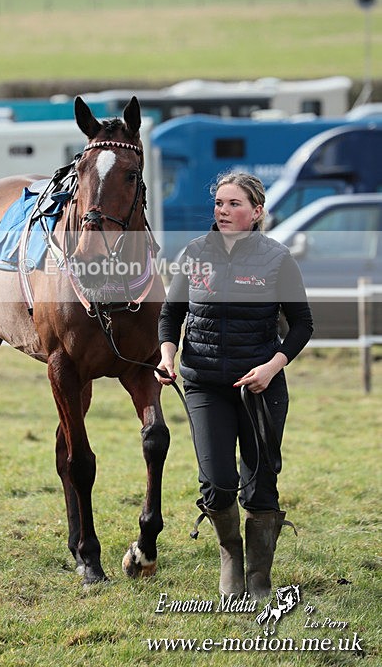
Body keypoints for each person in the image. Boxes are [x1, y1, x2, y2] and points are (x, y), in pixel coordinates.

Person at [156, 172, 313, 599]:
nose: (223, 211)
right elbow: (170, 316)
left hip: (261, 386)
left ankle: (259, 576)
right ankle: (230, 558)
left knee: (260, 481)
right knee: (218, 482)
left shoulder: (277, 259)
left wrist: (272, 367)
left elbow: (302, 325)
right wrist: (167, 356)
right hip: (205, 385)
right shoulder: (194, 254)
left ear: (256, 212)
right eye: (219, 203)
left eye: (234, 204)